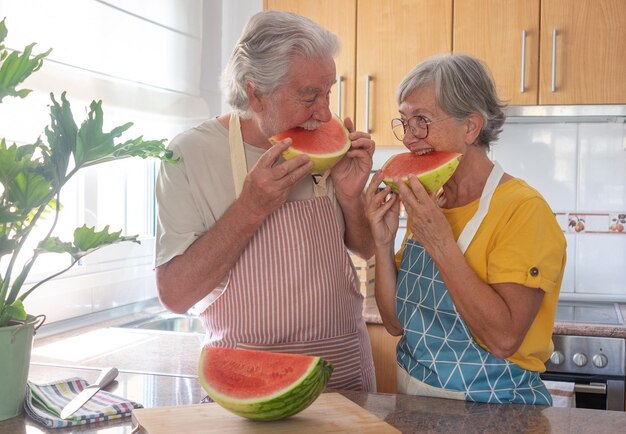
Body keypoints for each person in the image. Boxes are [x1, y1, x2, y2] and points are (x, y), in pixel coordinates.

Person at [154, 10, 376, 391]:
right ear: (255, 92)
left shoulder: (328, 140)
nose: (324, 112)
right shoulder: (189, 155)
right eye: (309, 96)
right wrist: (249, 209)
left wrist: (352, 198)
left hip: (341, 373)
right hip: (244, 378)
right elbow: (175, 295)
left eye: (328, 92)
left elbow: (365, 246)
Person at [364, 53, 566, 404]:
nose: (410, 139)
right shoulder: (432, 201)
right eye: (405, 122)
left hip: (496, 413)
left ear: (471, 127)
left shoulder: (522, 210)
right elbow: (396, 324)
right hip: (415, 405)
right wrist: (383, 243)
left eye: (422, 121)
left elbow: (504, 339)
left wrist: (440, 242)